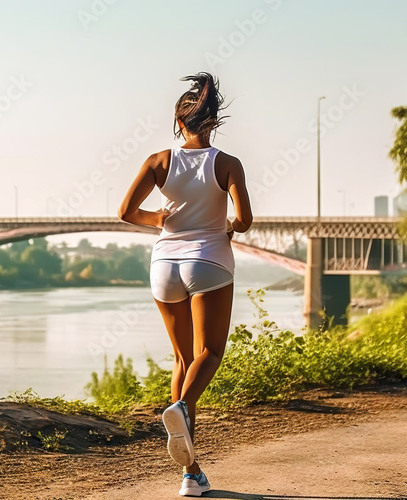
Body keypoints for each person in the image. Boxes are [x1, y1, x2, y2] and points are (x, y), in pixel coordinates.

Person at [116, 71, 252, 497]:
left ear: (179, 122)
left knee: (182, 359)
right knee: (209, 353)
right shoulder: (227, 164)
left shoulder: (159, 161)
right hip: (208, 262)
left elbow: (126, 211)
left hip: (164, 265)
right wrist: (227, 227)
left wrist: (158, 219)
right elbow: (245, 220)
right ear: (212, 122)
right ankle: (180, 407)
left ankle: (190, 473)